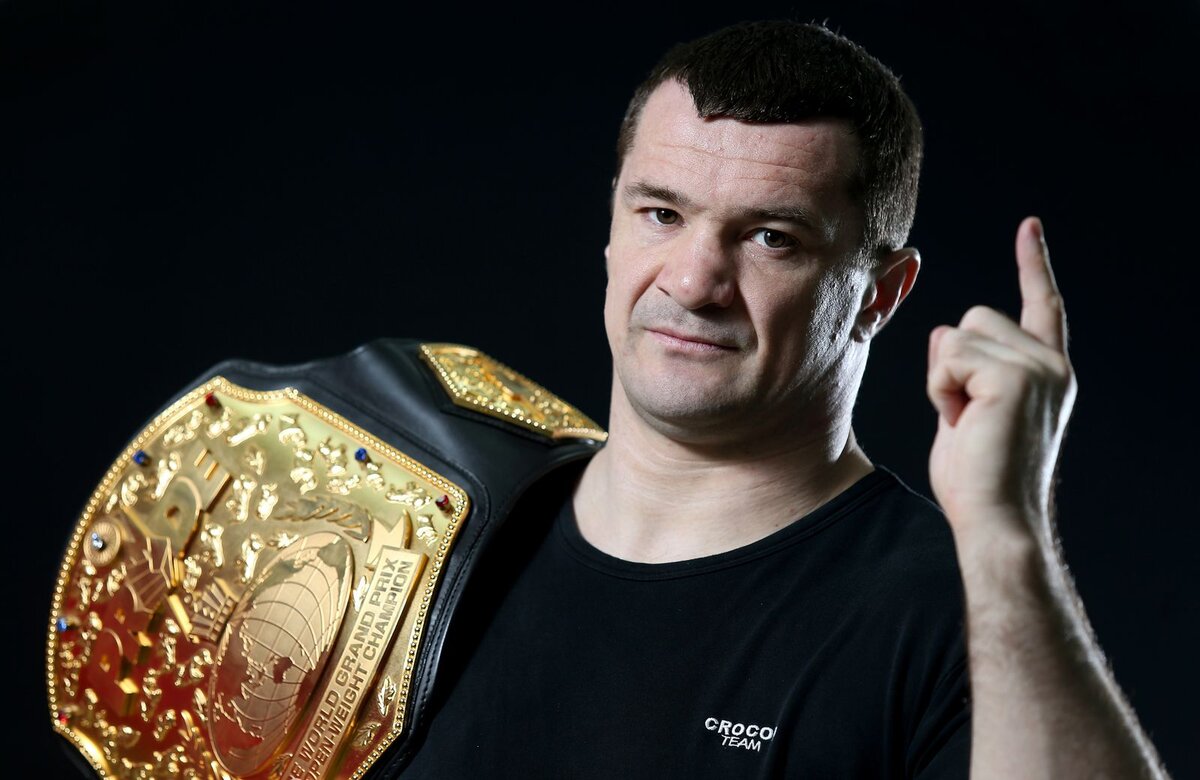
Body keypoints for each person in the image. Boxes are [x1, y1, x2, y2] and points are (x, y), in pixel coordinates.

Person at [45, 20, 1169, 780]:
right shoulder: (417, 517)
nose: (693, 279)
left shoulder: (960, 610)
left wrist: (1007, 538)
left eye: (770, 238)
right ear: (614, 223)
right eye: (661, 213)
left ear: (879, 293)